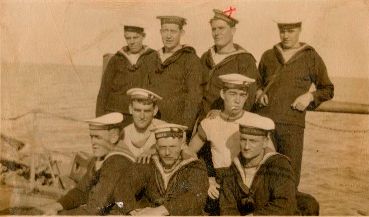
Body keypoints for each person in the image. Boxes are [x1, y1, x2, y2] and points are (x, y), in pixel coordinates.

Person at [254, 18, 334, 186]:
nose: (285, 36)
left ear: (299, 30)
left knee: (288, 176)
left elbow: (327, 89)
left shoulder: (310, 56)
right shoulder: (268, 55)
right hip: (264, 124)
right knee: (260, 175)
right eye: (282, 31)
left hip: (292, 126)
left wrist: (310, 96)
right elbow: (256, 83)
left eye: (290, 31)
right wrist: (259, 92)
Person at [188, 73, 268, 215]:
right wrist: (206, 178)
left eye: (242, 95)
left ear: (247, 97)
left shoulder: (255, 121)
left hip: (250, 183)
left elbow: (271, 155)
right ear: (222, 94)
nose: (237, 100)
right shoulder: (210, 123)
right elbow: (188, 152)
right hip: (222, 183)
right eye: (232, 94)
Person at [38, 113, 135, 215]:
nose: (93, 142)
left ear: (114, 137)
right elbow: (82, 191)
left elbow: (95, 208)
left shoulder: (117, 162)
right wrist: (57, 205)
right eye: (91, 137)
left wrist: (59, 215)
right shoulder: (101, 158)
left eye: (97, 137)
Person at [220, 115, 298, 215]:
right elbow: (227, 208)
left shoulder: (279, 165)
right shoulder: (232, 170)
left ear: (265, 142)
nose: (247, 146)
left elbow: (285, 204)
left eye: (253, 141)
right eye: (243, 139)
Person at [127, 124, 209, 216]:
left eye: (172, 147)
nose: (167, 153)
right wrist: (129, 209)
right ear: (156, 146)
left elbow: (196, 197)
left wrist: (161, 210)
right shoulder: (148, 163)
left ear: (182, 145)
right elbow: (122, 190)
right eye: (162, 147)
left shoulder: (194, 166)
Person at [147, 16, 203, 134]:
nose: (168, 36)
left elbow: (193, 98)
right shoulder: (152, 58)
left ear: (181, 33)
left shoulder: (190, 59)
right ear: (160, 32)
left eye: (173, 31)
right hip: (151, 124)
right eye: (165, 30)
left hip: (175, 127)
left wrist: (184, 129)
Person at [200, 9, 259, 117]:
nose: (217, 33)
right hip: (203, 119)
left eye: (221, 28)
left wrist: (224, 114)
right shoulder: (205, 57)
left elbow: (249, 97)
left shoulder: (244, 59)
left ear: (233, 31)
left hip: (229, 120)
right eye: (214, 29)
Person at [96, 25, 157, 127]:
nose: (131, 42)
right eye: (128, 38)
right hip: (114, 114)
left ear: (143, 36)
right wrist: (99, 122)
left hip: (140, 115)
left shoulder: (153, 57)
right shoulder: (116, 59)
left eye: (135, 37)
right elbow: (103, 92)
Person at [117, 88, 167, 163]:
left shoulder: (163, 128)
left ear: (155, 110)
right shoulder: (123, 134)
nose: (142, 116)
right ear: (130, 109)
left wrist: (155, 149)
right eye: (137, 110)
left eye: (147, 111)